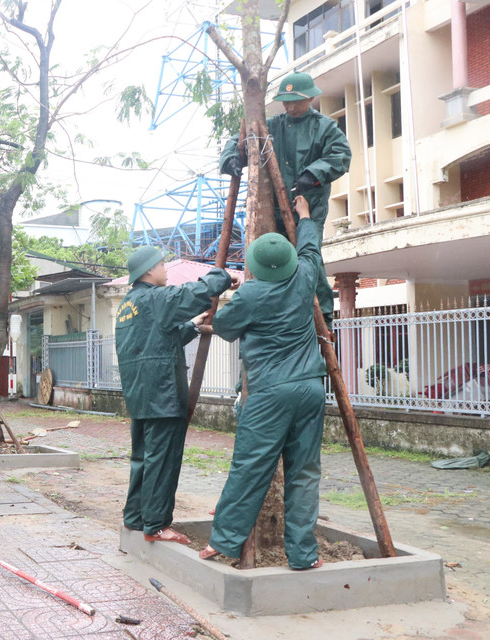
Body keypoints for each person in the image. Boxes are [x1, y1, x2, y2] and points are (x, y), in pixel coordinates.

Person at [199, 195, 327, 570]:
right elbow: (310, 247)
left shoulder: (251, 294)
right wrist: (304, 216)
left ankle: (224, 542)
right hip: (311, 388)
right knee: (304, 473)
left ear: (256, 266)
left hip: (270, 392)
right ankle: (303, 556)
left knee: (251, 466)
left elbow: (222, 326)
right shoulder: (304, 276)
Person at [116, 246, 234, 543]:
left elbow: (158, 340)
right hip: (163, 396)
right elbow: (190, 294)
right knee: (163, 461)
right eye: (161, 265)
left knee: (142, 458)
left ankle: (135, 518)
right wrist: (222, 277)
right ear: (148, 271)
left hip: (141, 395)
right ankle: (156, 524)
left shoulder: (128, 305)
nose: (165, 270)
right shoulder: (156, 298)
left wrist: (193, 325)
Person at [220, 71, 351, 328]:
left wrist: (313, 174)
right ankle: (272, 315)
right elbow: (238, 141)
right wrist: (231, 159)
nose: (290, 107)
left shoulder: (324, 127)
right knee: (268, 260)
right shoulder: (274, 125)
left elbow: (341, 155)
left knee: (309, 261)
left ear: (310, 99)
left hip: (306, 210)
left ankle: (322, 319)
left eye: (296, 101)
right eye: (286, 101)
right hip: (272, 211)